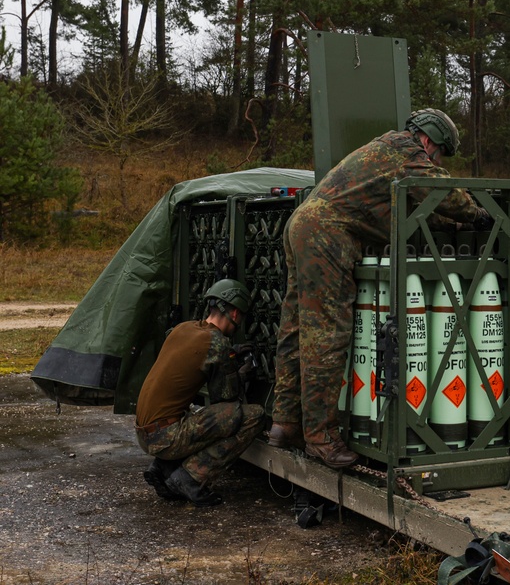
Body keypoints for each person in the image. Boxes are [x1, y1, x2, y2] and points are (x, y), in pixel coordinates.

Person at [268, 108, 491, 468]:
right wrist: (480, 212)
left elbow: (420, 208)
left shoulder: (385, 150)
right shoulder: (408, 154)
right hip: (326, 236)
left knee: (296, 329)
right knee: (327, 334)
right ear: (430, 142)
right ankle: (320, 438)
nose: (436, 161)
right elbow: (444, 194)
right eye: (439, 155)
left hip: (304, 226)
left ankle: (284, 422)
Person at [135, 278, 265, 506]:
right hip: (167, 437)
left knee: (194, 416)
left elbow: (190, 360)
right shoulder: (217, 344)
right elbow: (226, 402)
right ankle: (191, 477)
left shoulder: (183, 328)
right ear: (235, 314)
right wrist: (240, 373)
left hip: (144, 433)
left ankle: (164, 466)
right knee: (251, 416)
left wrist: (228, 354)